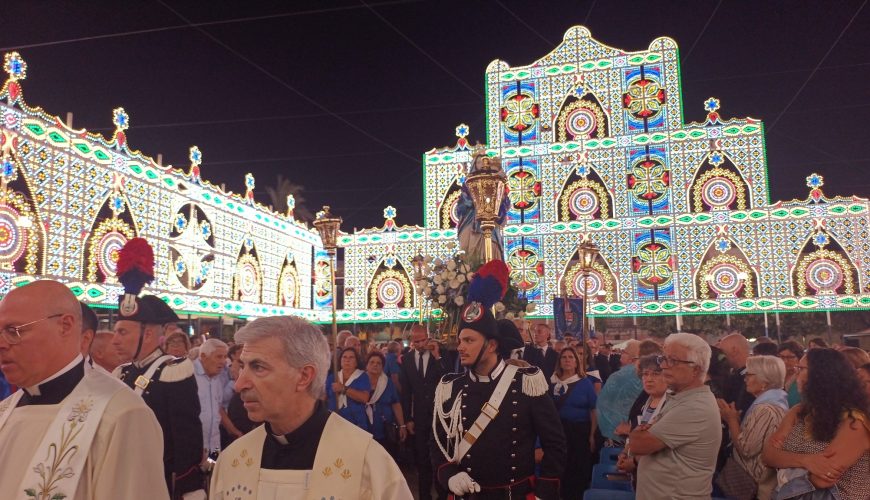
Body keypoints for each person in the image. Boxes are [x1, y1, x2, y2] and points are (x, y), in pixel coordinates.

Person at [209, 315, 412, 499]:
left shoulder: (368, 464)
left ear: (304, 376)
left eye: (258, 367)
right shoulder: (232, 460)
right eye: (242, 366)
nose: (239, 384)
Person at [0, 280, 168, 499]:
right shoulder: (5, 410)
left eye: (13, 331)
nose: (2, 343)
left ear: (66, 326)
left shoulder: (121, 415)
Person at [431, 260, 566, 499]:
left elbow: (555, 445)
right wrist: (449, 475)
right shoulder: (451, 387)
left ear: (492, 345)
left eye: (469, 341)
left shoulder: (527, 383)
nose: (461, 347)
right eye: (461, 340)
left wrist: (543, 491)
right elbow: (439, 444)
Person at [111, 238, 204, 498]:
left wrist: (187, 487)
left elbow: (187, 439)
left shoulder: (172, 371)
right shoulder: (122, 373)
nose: (114, 339)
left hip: (159, 482)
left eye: (122, 332)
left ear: (149, 335)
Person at [762, 348, 869, 500]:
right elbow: (768, 455)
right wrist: (807, 461)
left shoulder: (855, 421)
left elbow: (824, 477)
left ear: (822, 375)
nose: (795, 374)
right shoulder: (799, 411)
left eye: (801, 369)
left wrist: (784, 461)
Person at [629, 333, 722, 500]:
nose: (664, 365)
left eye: (672, 360)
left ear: (696, 369)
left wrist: (638, 432)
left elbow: (638, 445)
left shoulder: (694, 407)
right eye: (663, 359)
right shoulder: (680, 397)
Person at [717, 355, 789, 500]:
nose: (745, 379)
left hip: (753, 486)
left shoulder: (765, 409)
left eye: (749, 375)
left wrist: (731, 420)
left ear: (764, 380)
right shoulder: (775, 401)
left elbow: (746, 449)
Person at [399, 324, 449, 500]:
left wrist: (437, 356)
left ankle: (442, 495)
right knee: (422, 460)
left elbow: (447, 379)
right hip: (419, 417)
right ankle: (424, 496)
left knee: (439, 458)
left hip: (439, 416)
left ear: (428, 337)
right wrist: (408, 418)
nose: (419, 344)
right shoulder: (407, 359)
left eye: (422, 340)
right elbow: (406, 392)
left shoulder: (440, 355)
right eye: (415, 341)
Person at [550, 346, 597, 497]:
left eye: (571, 357)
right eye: (564, 357)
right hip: (558, 431)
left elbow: (594, 410)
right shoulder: (552, 383)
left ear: (577, 362)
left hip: (579, 431)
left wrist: (592, 435)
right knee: (559, 465)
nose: (567, 360)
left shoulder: (584, 383)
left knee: (577, 467)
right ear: (560, 362)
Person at [615, 355, 669, 475]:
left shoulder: (671, 405)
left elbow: (660, 446)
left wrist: (634, 461)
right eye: (645, 374)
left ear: (668, 376)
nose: (649, 379)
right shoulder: (646, 400)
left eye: (655, 374)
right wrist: (625, 452)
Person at [596, 339, 641, 442]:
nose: (621, 353)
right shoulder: (642, 374)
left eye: (625, 352)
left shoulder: (619, 377)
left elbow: (605, 402)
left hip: (617, 429)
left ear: (632, 358)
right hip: (634, 428)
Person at [364, 351, 407, 458]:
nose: (375, 365)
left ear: (382, 367)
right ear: (366, 365)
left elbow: (396, 404)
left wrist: (402, 425)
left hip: (384, 429)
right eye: (372, 362)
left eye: (379, 363)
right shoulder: (358, 381)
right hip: (363, 428)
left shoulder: (387, 382)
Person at [194, 338, 229, 458]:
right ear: (203, 356)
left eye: (225, 357)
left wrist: (234, 431)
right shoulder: (188, 375)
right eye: (219, 357)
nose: (224, 361)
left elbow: (218, 409)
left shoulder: (217, 378)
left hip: (214, 447)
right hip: (194, 448)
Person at [326, 347, 370, 430]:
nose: (347, 360)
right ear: (340, 360)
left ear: (356, 362)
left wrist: (343, 389)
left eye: (351, 357)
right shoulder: (333, 377)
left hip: (356, 423)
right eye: (344, 357)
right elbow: (324, 397)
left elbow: (364, 398)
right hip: (334, 422)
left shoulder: (362, 376)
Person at [220, 343, 255, 447]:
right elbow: (221, 401)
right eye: (219, 356)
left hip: (241, 421)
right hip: (227, 424)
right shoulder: (222, 373)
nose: (221, 360)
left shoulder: (247, 368)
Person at [717, 332, 755, 418]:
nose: (722, 357)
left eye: (723, 352)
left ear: (734, 350)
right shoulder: (736, 374)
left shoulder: (752, 377)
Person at [777, 340, 804, 407]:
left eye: (790, 357)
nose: (785, 361)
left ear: (799, 358)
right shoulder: (774, 377)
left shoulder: (802, 379)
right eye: (782, 357)